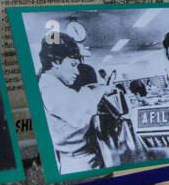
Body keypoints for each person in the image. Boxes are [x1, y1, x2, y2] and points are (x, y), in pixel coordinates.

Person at [36, 35, 114, 173]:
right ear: (55, 61)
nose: (77, 72)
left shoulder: (56, 85)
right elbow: (81, 108)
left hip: (86, 158)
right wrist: (102, 89)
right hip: (78, 163)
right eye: (73, 64)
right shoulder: (49, 88)